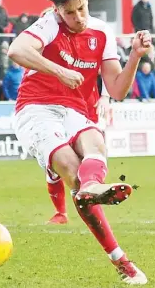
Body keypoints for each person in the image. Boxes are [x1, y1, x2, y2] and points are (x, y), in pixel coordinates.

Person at [8, 0, 150, 285]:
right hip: (35, 109)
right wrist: (59, 70)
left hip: (75, 109)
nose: (78, 17)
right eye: (70, 12)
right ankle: (121, 260)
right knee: (72, 170)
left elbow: (116, 89)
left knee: (95, 144)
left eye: (82, 8)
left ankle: (91, 188)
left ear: (87, 0)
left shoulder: (101, 32)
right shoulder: (48, 24)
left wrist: (136, 57)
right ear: (57, 9)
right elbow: (16, 51)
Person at [46, 76, 110, 225]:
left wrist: (105, 96)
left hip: (87, 104)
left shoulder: (91, 54)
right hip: (58, 104)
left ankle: (88, 199)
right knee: (57, 161)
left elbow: (106, 64)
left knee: (88, 154)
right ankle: (62, 212)